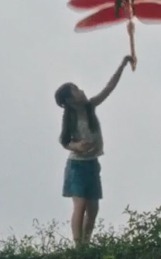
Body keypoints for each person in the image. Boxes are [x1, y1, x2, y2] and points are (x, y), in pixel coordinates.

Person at [54, 55, 134, 247]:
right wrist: (77, 146)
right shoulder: (70, 118)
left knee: (93, 209)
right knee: (79, 206)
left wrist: (122, 65)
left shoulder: (90, 107)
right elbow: (64, 141)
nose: (81, 91)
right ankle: (77, 245)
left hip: (91, 164)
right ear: (69, 100)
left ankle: (86, 244)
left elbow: (109, 88)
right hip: (77, 165)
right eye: (75, 90)